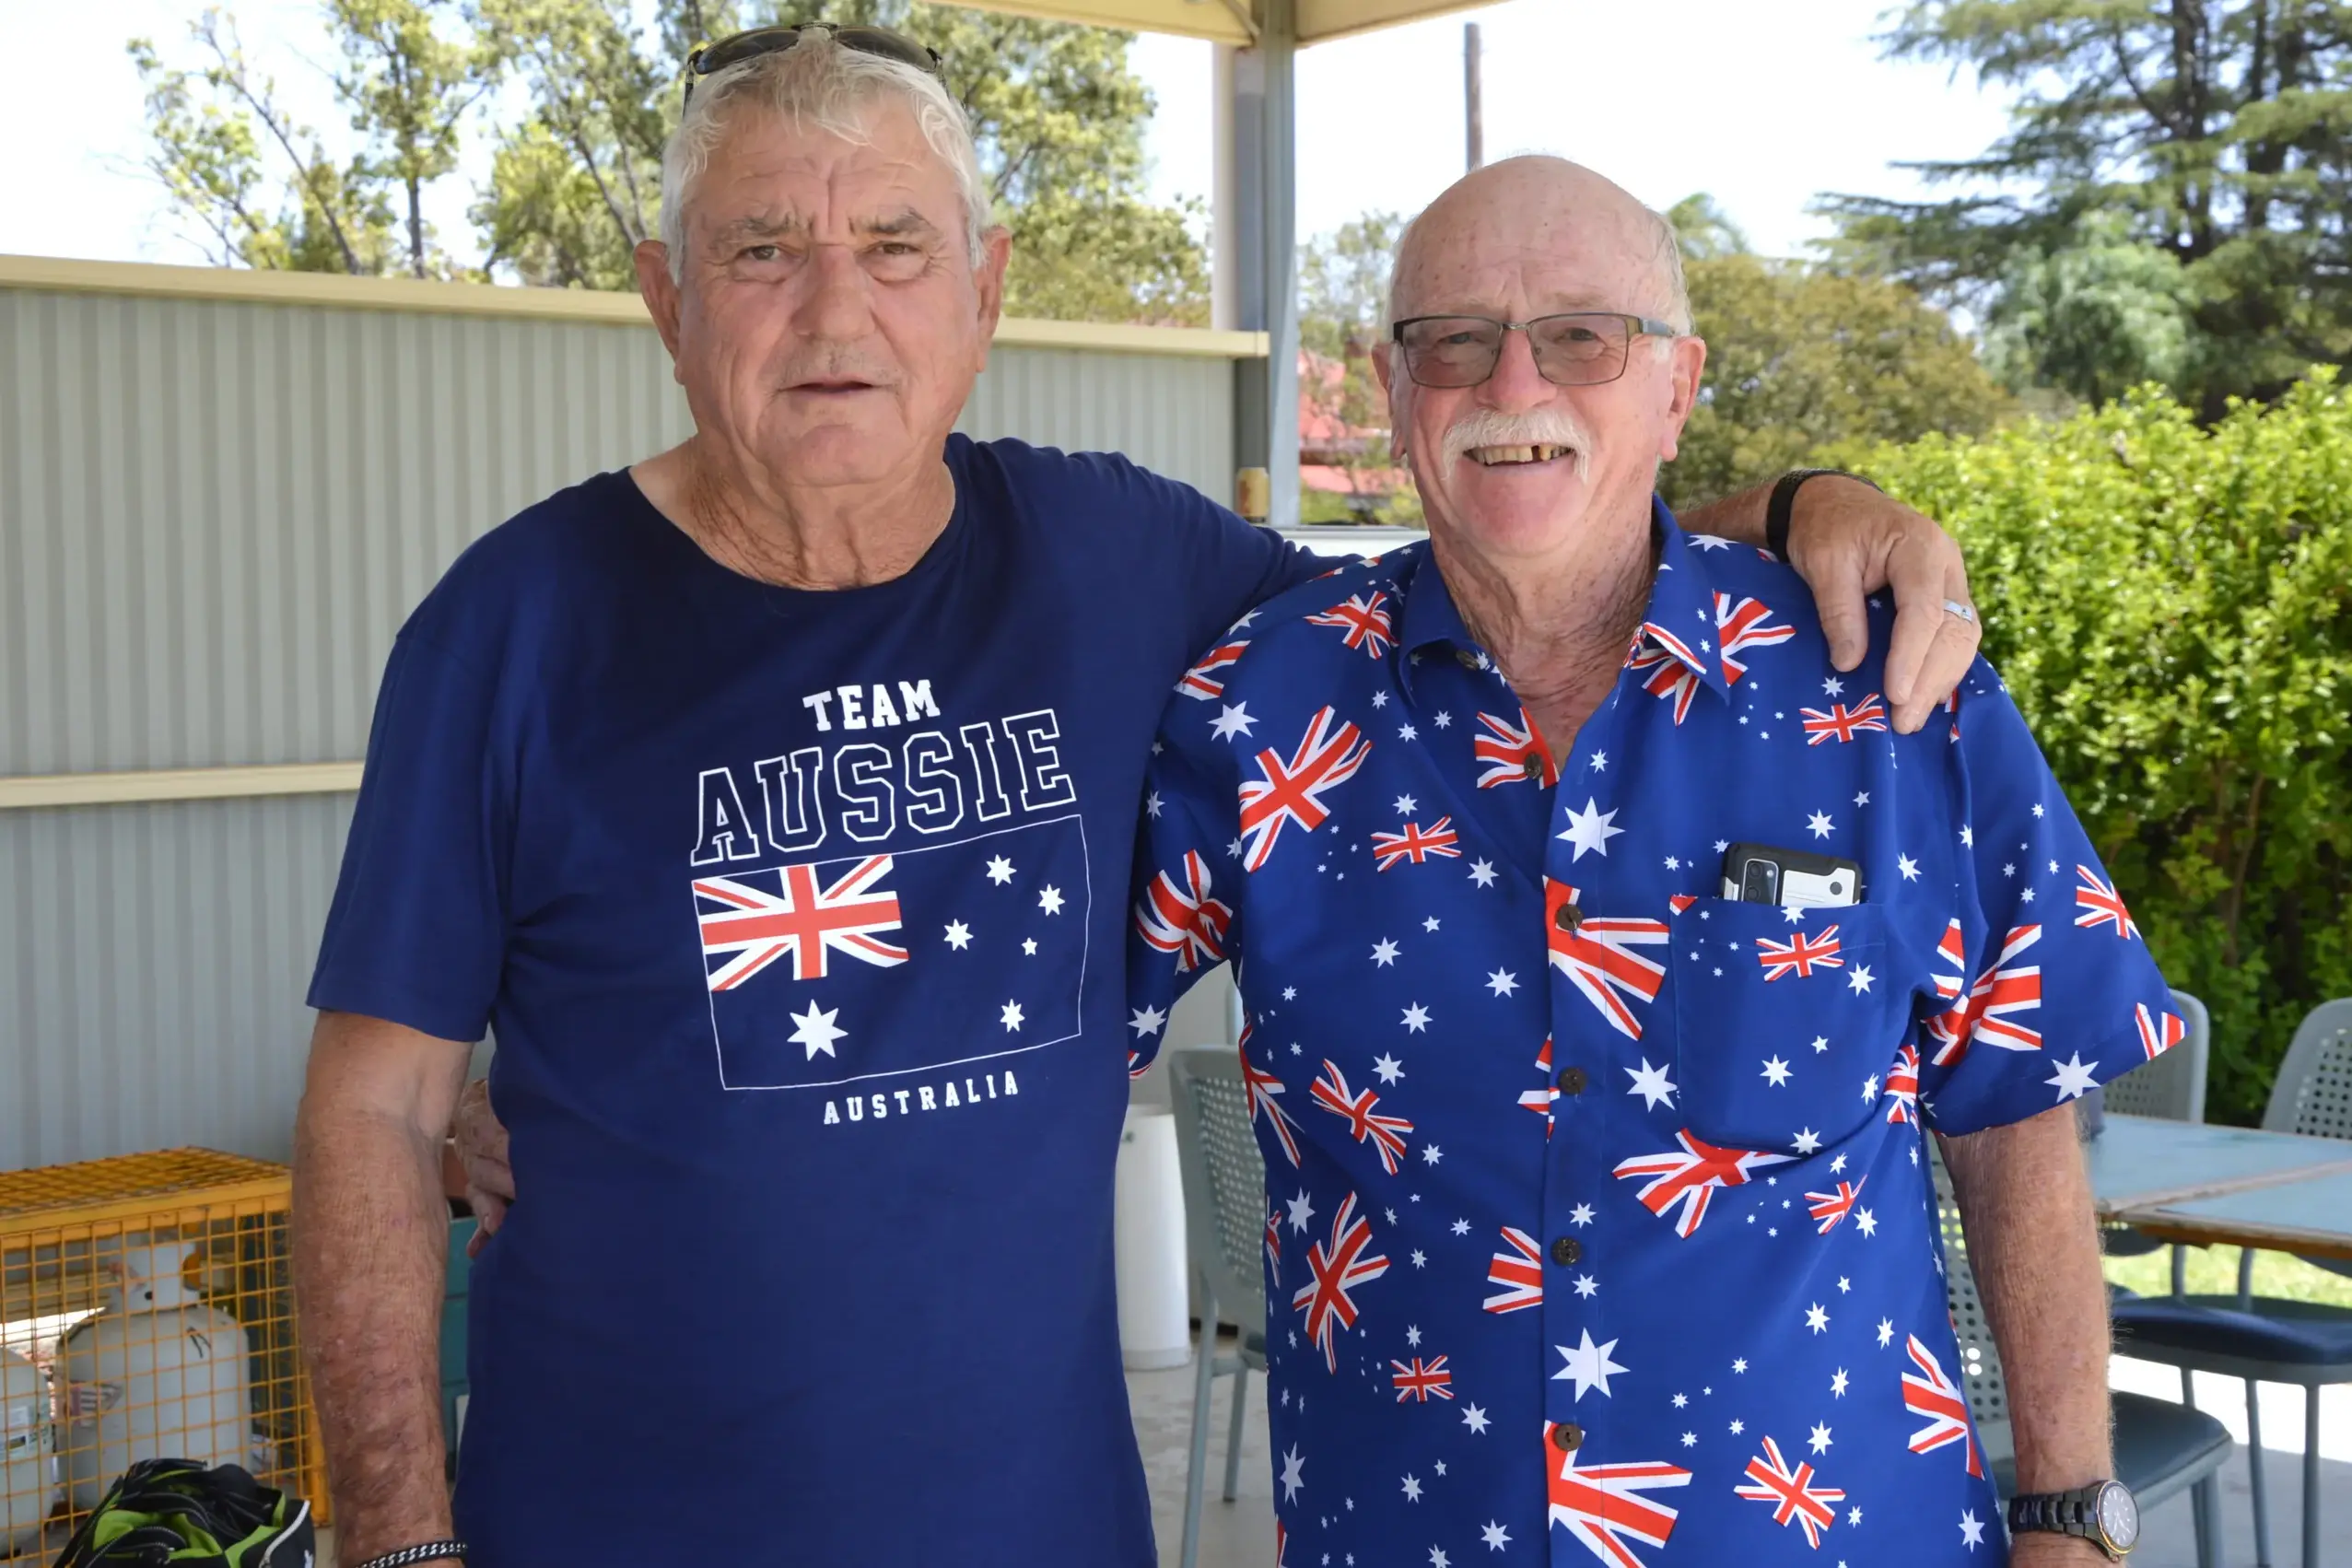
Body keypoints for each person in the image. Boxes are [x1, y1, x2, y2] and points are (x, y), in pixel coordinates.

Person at [294, 26, 1981, 1568]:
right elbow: (372, 1110)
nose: (833, 310)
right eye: (760, 252)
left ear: (984, 290)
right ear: (665, 296)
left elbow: (1500, 560)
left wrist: (1806, 501)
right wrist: (395, 1533)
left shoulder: (1114, 560)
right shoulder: (511, 629)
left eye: (895, 247)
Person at [1127, 155, 2173, 1567]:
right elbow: (1034, 1064)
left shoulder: (1888, 686)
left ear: (1677, 389)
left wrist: (2068, 1511)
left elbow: (2016, 1104)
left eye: (1582, 336)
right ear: (1393, 389)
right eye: (1454, 339)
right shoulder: (1264, 708)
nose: (1513, 383)